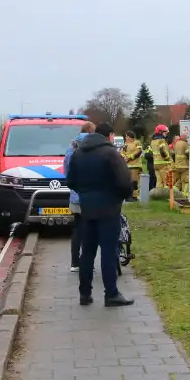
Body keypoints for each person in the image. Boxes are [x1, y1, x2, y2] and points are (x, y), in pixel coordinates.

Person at [67, 122, 134, 307]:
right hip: (109, 210)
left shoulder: (78, 154)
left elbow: (70, 180)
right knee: (109, 251)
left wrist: (85, 194)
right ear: (110, 135)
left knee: (87, 252)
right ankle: (111, 294)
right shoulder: (111, 153)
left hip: (86, 209)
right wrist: (120, 197)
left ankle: (85, 294)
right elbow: (123, 181)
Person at [64, 121, 96, 272]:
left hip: (76, 195)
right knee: (90, 228)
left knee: (77, 228)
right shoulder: (94, 147)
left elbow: (66, 171)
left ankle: (74, 263)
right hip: (92, 195)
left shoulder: (71, 148)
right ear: (91, 131)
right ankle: (87, 262)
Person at [121, 131, 144, 200]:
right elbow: (122, 152)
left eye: (127, 136)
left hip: (135, 165)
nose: (126, 138)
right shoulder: (125, 144)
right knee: (128, 181)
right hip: (127, 165)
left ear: (130, 137)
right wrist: (123, 157)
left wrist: (130, 157)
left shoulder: (137, 142)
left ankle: (134, 196)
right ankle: (129, 195)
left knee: (134, 181)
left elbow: (139, 152)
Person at [149, 125, 173, 191]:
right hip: (164, 164)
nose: (166, 134)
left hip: (156, 164)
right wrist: (167, 158)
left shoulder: (152, 141)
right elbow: (162, 150)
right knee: (167, 182)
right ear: (160, 132)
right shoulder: (161, 140)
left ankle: (158, 196)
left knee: (159, 182)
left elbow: (150, 152)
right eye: (165, 132)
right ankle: (168, 196)